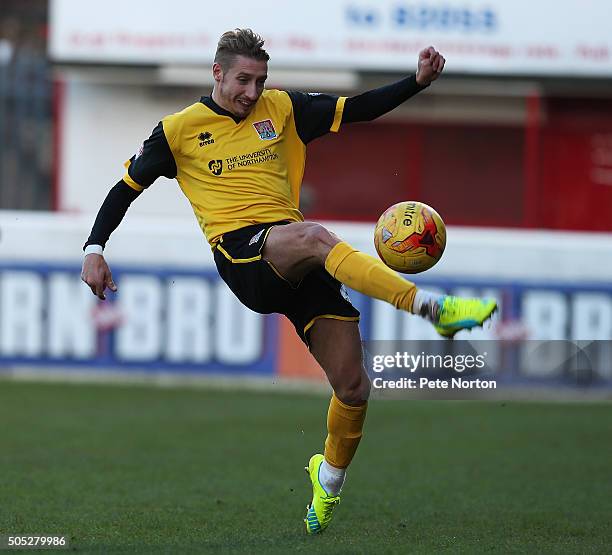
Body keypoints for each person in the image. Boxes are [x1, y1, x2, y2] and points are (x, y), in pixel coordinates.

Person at [81, 29, 497, 534]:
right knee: (316, 237)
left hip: (292, 256)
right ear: (217, 73)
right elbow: (125, 189)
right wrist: (95, 249)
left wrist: (416, 81)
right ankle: (432, 308)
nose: (252, 92)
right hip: (243, 256)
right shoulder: (178, 130)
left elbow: (360, 108)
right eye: (242, 80)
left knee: (353, 386)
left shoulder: (284, 110)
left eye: (259, 81)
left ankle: (330, 480)